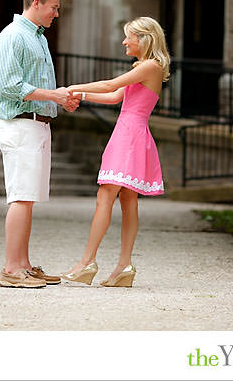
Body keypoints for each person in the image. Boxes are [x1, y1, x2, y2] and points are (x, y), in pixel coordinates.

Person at [61, 16, 169, 287]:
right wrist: (81, 97)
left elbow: (109, 85)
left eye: (128, 36)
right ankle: (124, 267)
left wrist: (71, 88)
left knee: (105, 196)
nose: (124, 41)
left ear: (144, 39)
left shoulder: (150, 66)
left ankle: (87, 262)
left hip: (129, 136)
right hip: (131, 134)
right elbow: (113, 97)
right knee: (128, 201)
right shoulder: (146, 68)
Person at [0, 0, 80, 288]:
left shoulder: (37, 38)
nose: (57, 14)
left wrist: (58, 100)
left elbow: (38, 88)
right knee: (20, 197)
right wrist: (53, 96)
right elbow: (9, 87)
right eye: (54, 7)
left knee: (28, 198)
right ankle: (11, 269)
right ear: (37, 3)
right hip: (19, 125)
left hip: (38, 124)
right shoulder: (12, 37)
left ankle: (24, 265)